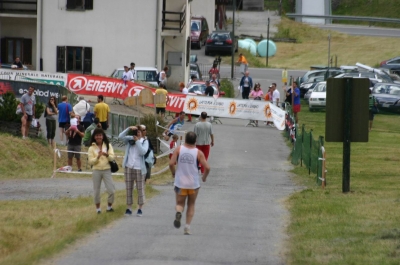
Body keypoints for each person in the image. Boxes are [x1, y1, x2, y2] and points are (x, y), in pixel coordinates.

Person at [169, 131, 210, 235]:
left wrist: (174, 173)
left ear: (185, 140)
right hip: (193, 183)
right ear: (195, 141)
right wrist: (204, 177)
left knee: (179, 203)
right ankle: (187, 227)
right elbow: (208, 167)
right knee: (191, 204)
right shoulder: (198, 153)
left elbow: (171, 163)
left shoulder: (179, 149)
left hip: (180, 182)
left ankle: (179, 212)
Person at [119, 125, 148, 217]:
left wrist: (137, 141)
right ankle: (129, 208)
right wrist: (128, 129)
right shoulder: (130, 139)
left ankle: (140, 209)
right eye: (136, 131)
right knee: (129, 188)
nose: (138, 133)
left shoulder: (145, 141)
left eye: (139, 131)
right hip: (129, 166)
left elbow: (143, 152)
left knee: (140, 189)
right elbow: (120, 137)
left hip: (139, 168)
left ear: (143, 132)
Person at [88, 128, 116, 214]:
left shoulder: (108, 145)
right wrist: (98, 157)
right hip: (96, 170)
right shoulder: (91, 148)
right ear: (94, 137)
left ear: (103, 136)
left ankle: (109, 207)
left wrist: (106, 155)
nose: (98, 137)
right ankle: (98, 209)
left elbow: (112, 157)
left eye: (100, 135)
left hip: (107, 169)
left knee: (111, 190)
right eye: (97, 135)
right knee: (96, 191)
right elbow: (90, 161)